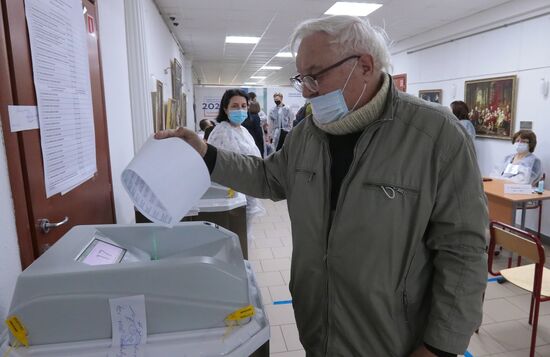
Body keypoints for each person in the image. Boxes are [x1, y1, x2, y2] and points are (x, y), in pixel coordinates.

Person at [156, 15, 487, 357]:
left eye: (315, 76)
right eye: (301, 77)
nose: (305, 90)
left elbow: (463, 248)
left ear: (365, 66)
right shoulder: (308, 134)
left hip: (394, 340)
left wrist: (440, 347)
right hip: (319, 329)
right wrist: (205, 154)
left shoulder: (435, 136)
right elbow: (268, 177)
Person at [206, 89, 266, 229]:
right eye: (234, 106)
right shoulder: (221, 132)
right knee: (236, 234)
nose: (240, 110)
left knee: (245, 233)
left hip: (248, 191)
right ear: (225, 109)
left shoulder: (242, 130)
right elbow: (220, 168)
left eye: (243, 106)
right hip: (233, 197)